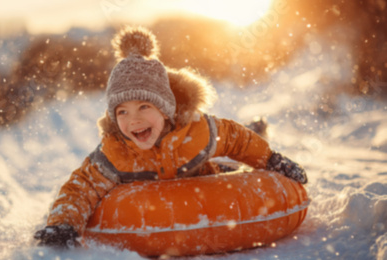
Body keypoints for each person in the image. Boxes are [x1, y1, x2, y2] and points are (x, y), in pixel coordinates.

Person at [34, 26, 307, 248]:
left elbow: (235, 138)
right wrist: (64, 224)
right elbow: (82, 186)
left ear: (165, 110)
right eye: (123, 112)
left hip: (197, 171)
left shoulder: (197, 132)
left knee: (227, 164)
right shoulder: (116, 152)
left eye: (144, 107)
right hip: (160, 178)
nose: (134, 120)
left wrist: (272, 160)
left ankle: (254, 129)